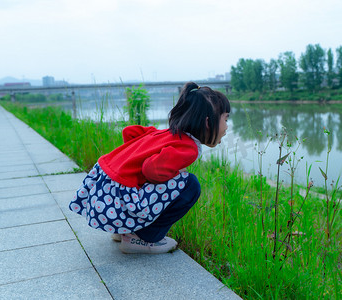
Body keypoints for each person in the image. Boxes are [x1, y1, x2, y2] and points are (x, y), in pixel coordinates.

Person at [69, 82, 230, 254]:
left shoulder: (163, 134)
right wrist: (177, 172)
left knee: (166, 180)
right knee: (190, 184)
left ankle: (124, 229)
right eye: (226, 119)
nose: (227, 127)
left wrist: (133, 165)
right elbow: (151, 169)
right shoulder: (189, 148)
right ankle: (143, 237)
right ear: (208, 122)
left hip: (104, 190)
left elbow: (129, 132)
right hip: (115, 201)